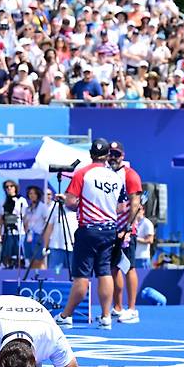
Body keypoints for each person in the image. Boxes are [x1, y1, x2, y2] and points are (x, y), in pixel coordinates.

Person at [55, 138, 123, 330]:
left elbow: (70, 202)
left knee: (81, 276)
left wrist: (79, 203)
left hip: (89, 229)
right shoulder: (115, 177)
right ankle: (106, 317)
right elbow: (121, 206)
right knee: (104, 272)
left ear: (91, 154)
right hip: (110, 229)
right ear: (107, 156)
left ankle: (66, 315)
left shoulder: (82, 174)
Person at [108, 141, 143, 325]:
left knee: (129, 267)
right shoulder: (107, 174)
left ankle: (132, 309)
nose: (113, 157)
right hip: (110, 229)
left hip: (126, 230)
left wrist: (128, 228)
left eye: (117, 154)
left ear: (122, 156)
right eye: (110, 154)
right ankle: (118, 307)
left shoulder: (130, 175)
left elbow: (135, 204)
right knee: (114, 268)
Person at [43, 196, 78, 274]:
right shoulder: (55, 207)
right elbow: (49, 227)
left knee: (75, 275)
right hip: (56, 247)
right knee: (54, 275)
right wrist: (45, 246)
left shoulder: (80, 208)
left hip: (75, 248)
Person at [0, 180, 28, 268]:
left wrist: (25, 231)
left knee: (19, 253)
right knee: (7, 253)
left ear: (15, 187)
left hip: (18, 230)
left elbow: (25, 217)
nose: (9, 188)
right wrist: (0, 233)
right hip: (7, 231)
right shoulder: (3, 201)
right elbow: (1, 218)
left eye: (11, 186)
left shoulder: (21, 200)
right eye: (7, 187)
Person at [23, 186, 47, 270]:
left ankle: (41, 276)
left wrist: (44, 237)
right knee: (30, 259)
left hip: (38, 235)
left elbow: (46, 221)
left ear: (38, 195)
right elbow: (25, 223)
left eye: (34, 193)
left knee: (38, 259)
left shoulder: (42, 207)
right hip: (29, 236)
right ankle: (33, 275)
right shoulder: (28, 208)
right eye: (30, 193)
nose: (32, 195)